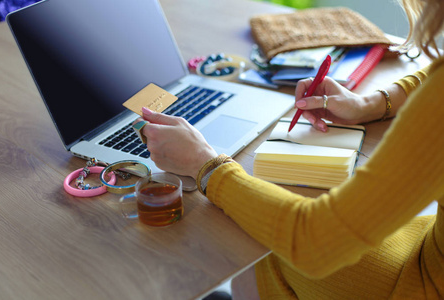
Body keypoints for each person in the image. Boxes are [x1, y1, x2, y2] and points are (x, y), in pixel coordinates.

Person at [134, 0, 444, 298]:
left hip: (420, 284)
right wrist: (369, 104)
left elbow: (317, 243)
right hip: (432, 244)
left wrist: (205, 166)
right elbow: (434, 75)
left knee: (257, 241)